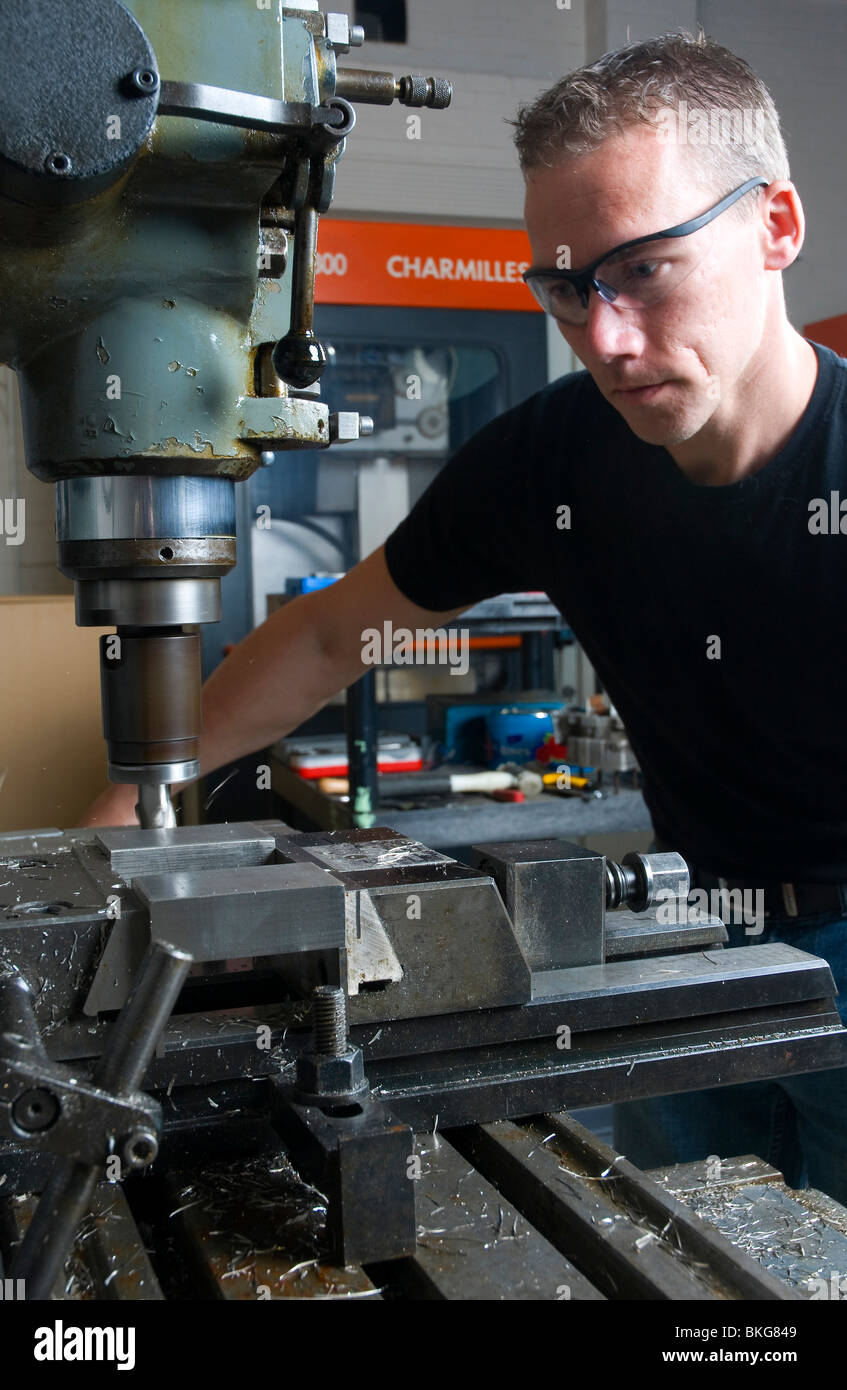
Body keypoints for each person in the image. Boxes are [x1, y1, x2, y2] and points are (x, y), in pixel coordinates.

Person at [81, 32, 847, 1201]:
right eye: (564, 285)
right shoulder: (554, 456)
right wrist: (131, 803)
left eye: (643, 268)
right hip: (686, 936)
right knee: (695, 1266)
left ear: (774, 227)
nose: (601, 337)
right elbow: (333, 634)